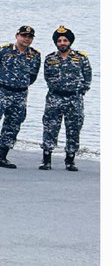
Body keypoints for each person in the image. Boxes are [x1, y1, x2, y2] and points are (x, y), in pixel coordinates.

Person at [0, 25, 42, 170]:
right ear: (17, 36)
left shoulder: (35, 55)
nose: (27, 39)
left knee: (13, 126)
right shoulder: (3, 50)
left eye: (30, 37)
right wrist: (0, 82)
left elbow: (33, 76)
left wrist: (20, 85)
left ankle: (2, 157)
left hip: (20, 94)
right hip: (0, 91)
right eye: (24, 35)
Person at [40, 25, 92, 171]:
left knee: (73, 129)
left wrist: (79, 92)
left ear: (70, 42)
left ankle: (70, 160)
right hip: (54, 98)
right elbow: (47, 77)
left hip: (74, 99)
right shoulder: (50, 58)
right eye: (59, 40)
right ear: (56, 43)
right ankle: (46, 159)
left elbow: (87, 79)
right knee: (50, 128)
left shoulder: (81, 58)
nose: (62, 43)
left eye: (65, 40)